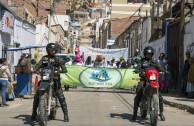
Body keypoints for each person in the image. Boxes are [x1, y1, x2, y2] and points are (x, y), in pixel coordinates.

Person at [31, 43, 69, 122]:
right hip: (45, 79)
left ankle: (66, 115)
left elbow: (64, 68)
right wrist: (34, 69)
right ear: (48, 50)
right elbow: (38, 65)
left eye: (54, 50)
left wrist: (61, 71)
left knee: (61, 97)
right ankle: (34, 113)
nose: (53, 51)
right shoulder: (44, 58)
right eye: (51, 50)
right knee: (37, 94)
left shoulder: (58, 59)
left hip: (55, 80)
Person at [132, 46, 166, 121]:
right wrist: (137, 70)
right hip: (144, 80)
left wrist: (164, 70)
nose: (149, 55)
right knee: (138, 93)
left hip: (153, 81)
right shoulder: (142, 61)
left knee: (160, 97)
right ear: (145, 54)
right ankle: (134, 114)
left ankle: (161, 113)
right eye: (147, 54)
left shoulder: (154, 61)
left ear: (152, 54)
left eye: (150, 54)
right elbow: (137, 68)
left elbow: (159, 68)